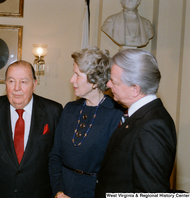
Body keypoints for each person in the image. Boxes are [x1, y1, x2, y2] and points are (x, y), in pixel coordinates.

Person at [94, 49, 177, 197]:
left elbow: (150, 193)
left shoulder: (153, 126)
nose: (108, 84)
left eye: (114, 81)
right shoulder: (138, 116)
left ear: (135, 90)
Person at [0, 60, 63, 198]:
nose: (17, 88)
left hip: (38, 193)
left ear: (34, 84)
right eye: (11, 81)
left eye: (24, 82)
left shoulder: (53, 111)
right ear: (5, 84)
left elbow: (59, 156)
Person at [49, 47, 124, 198]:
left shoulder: (116, 114)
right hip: (63, 190)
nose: (71, 80)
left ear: (94, 80)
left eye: (77, 75)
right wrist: (59, 192)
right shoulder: (70, 109)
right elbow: (55, 156)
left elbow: (117, 171)